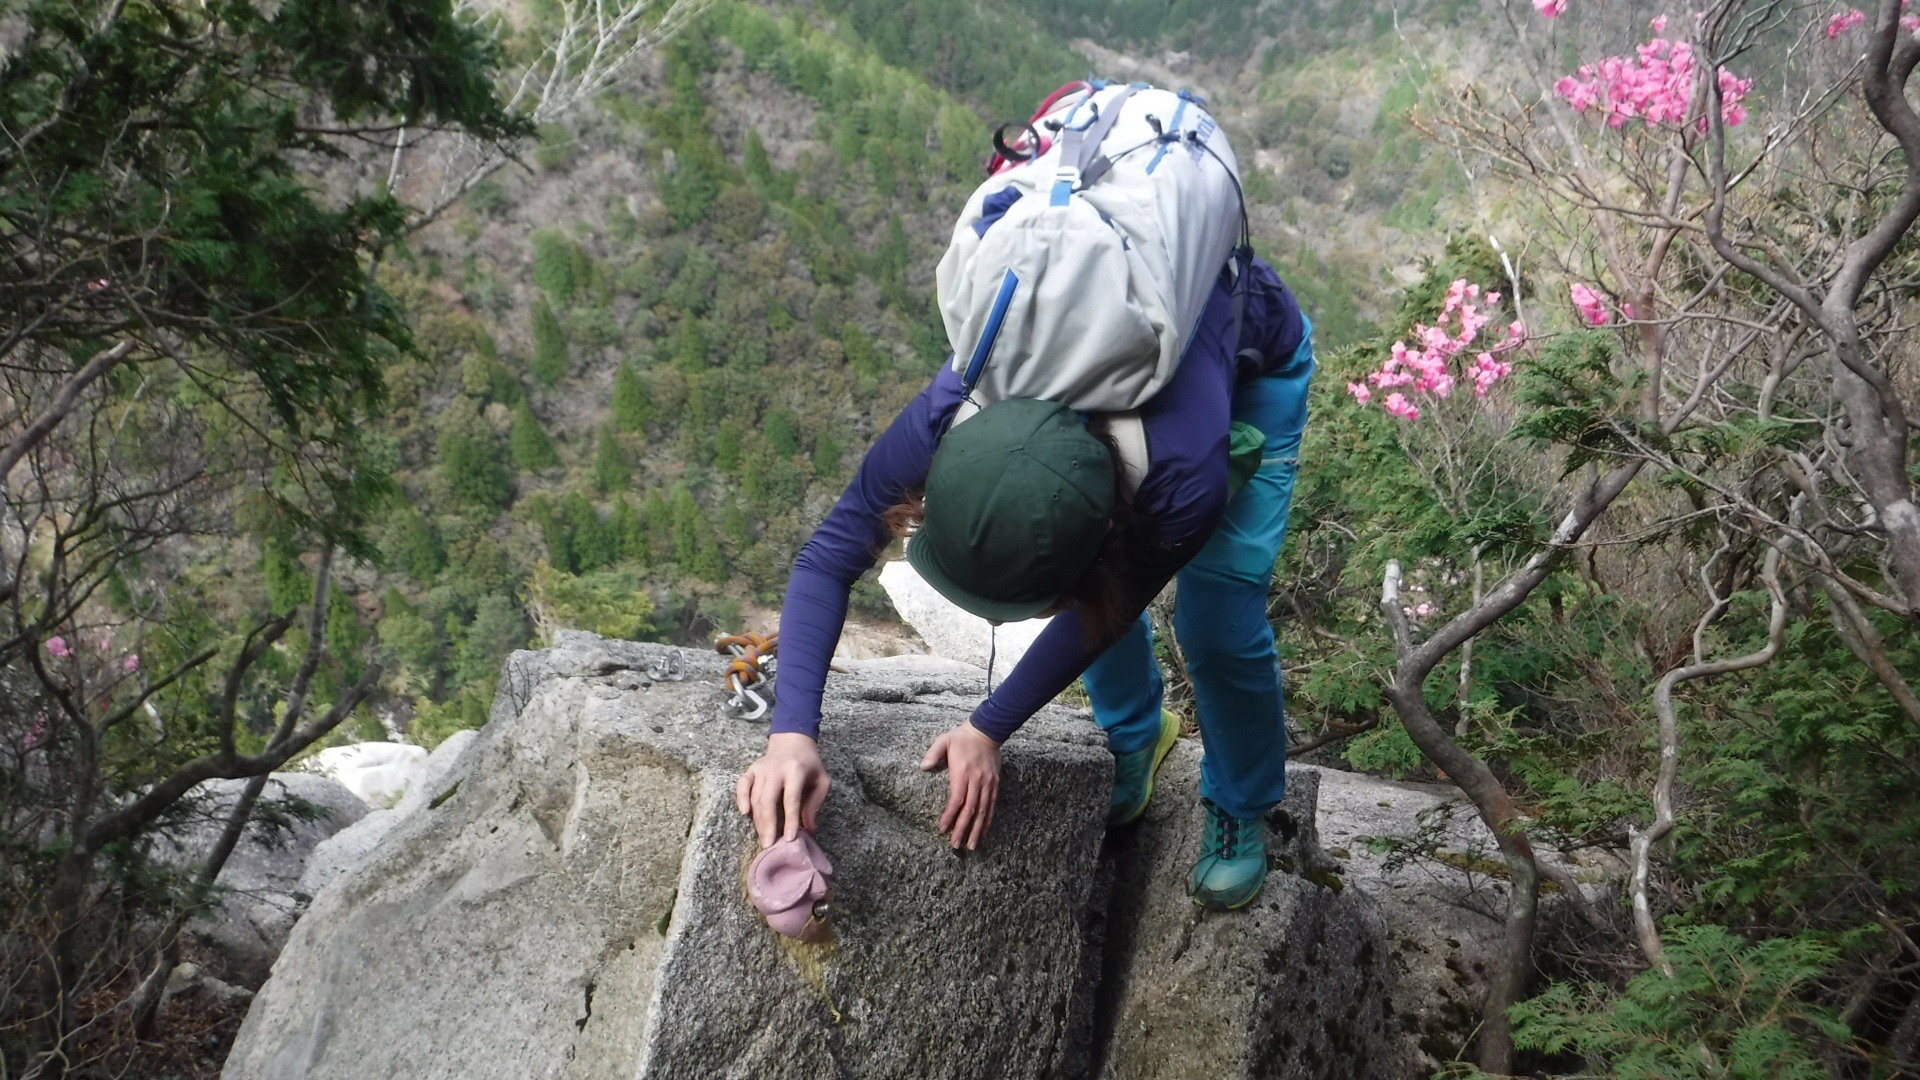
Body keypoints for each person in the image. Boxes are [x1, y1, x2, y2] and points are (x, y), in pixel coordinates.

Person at [734, 237, 1312, 914]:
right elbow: (829, 555)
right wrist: (792, 733)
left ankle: (1242, 801)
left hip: (1249, 370)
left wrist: (989, 725)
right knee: (1058, 563)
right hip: (1128, 377)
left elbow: (1113, 605)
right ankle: (1134, 733)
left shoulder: (1186, 478)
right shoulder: (951, 413)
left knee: (1218, 622)